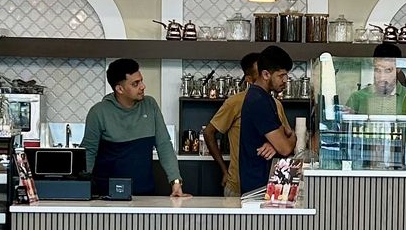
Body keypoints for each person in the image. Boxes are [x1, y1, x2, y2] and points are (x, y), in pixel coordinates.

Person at [82, 58, 184, 197]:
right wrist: (82, 188)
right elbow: (89, 152)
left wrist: (176, 182)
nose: (142, 86)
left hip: (144, 193)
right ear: (120, 89)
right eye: (135, 84)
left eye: (141, 81)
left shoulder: (150, 105)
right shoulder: (99, 112)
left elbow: (164, 145)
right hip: (106, 195)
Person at [204, 52, 288, 197]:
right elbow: (208, 132)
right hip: (238, 186)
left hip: (269, 185)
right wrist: (224, 170)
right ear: (249, 79)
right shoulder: (235, 102)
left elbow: (287, 136)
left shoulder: (276, 104)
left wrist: (275, 145)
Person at [239, 45, 297, 195]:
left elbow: (281, 137)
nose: (285, 80)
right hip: (257, 188)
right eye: (280, 75)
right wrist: (292, 137)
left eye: (286, 75)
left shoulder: (265, 98)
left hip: (262, 184)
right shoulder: (258, 101)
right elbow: (285, 147)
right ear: (265, 74)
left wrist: (276, 143)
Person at [345, 42, 406, 116]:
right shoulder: (357, 98)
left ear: (398, 69)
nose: (382, 77)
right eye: (377, 70)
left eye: (388, 70)